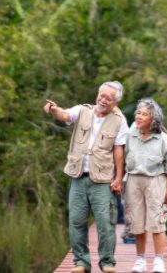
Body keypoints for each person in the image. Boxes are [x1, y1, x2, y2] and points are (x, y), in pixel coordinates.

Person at [44, 81, 128, 273]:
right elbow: (64, 115)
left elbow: (118, 150)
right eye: (102, 95)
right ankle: (81, 262)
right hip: (78, 176)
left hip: (103, 180)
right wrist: (54, 110)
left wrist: (118, 178)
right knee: (76, 220)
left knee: (106, 223)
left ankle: (107, 262)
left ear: (115, 102)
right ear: (97, 94)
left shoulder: (120, 120)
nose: (103, 99)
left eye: (109, 98)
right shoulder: (83, 110)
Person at [124, 98, 167, 273]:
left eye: (144, 114)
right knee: (136, 221)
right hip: (133, 181)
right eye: (138, 112)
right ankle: (140, 260)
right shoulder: (131, 135)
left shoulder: (163, 139)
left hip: (156, 181)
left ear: (153, 118)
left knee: (157, 222)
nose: (139, 116)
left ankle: (159, 261)